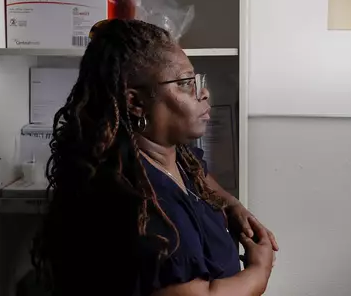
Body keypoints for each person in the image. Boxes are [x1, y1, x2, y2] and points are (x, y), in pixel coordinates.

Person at [32, 19, 278, 295]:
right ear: (136, 103)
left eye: (196, 81)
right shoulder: (136, 201)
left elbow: (201, 178)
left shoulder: (175, 157)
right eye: (185, 83)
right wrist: (260, 270)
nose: (204, 92)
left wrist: (233, 206)